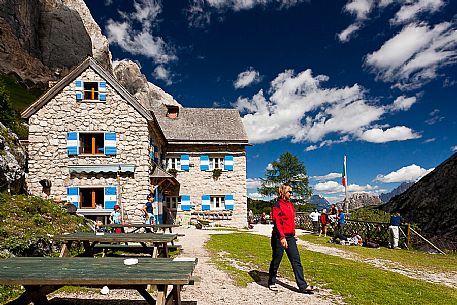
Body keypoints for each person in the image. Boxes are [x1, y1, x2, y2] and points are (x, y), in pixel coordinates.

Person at [268, 183, 315, 293]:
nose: (291, 194)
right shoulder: (276, 204)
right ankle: (271, 281)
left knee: (296, 260)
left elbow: (291, 220)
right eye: (289, 192)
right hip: (279, 237)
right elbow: (277, 222)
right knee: (276, 259)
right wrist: (282, 237)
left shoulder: (289, 204)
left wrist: (293, 233)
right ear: (283, 192)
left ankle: (302, 286)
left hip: (290, 237)